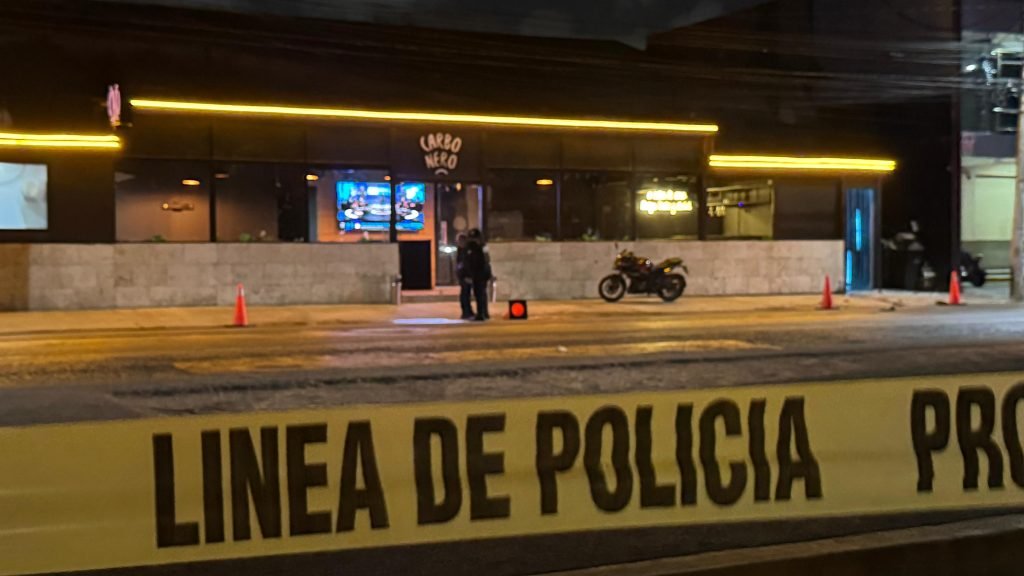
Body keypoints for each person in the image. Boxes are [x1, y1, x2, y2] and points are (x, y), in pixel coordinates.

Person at [465, 228, 492, 321]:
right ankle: (484, 313)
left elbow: (482, 260)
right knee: (482, 293)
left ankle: (481, 314)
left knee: (480, 294)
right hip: (481, 273)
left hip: (479, 273)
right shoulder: (482, 246)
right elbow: (487, 259)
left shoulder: (474, 247)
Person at [455, 233, 474, 320]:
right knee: (465, 295)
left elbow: (465, 264)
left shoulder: (464, 250)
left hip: (465, 275)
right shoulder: (462, 251)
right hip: (464, 276)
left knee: (466, 295)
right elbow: (462, 264)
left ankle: (468, 311)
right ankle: (466, 312)